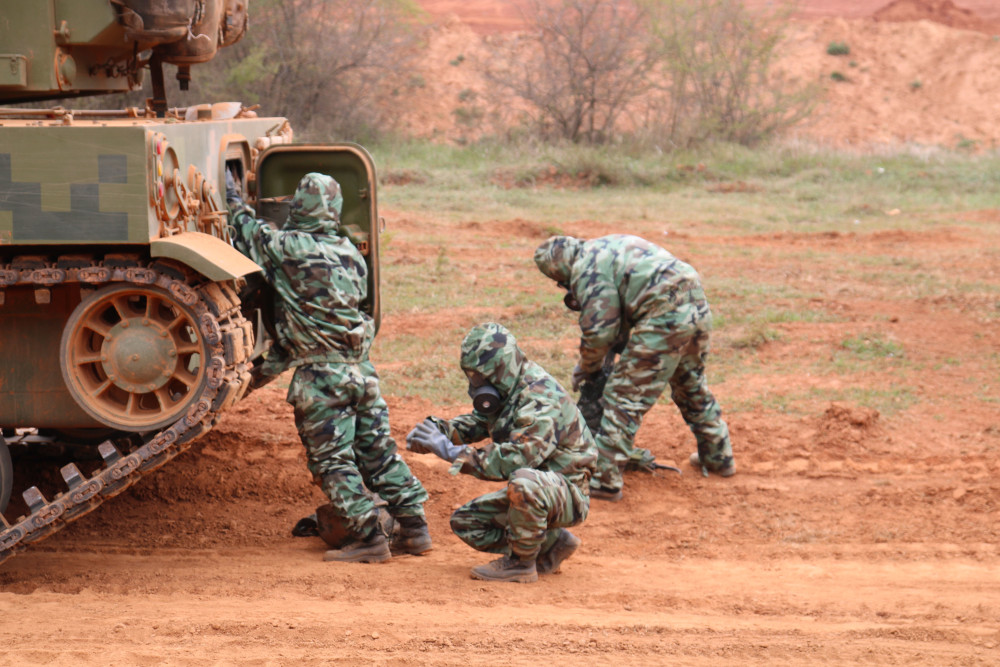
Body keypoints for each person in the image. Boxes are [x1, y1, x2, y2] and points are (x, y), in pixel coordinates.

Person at [226, 171, 430, 563]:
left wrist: (233, 195)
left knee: (332, 461)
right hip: (361, 372)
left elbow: (246, 229)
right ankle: (415, 529)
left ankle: (369, 537)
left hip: (323, 379)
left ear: (299, 207)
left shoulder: (290, 246)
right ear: (333, 210)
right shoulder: (352, 253)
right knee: (377, 453)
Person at [533, 234, 734, 502]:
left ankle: (604, 480)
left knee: (623, 395)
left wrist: (586, 367)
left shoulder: (586, 269)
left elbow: (600, 331)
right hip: (694, 299)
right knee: (689, 383)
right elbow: (627, 306)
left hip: (664, 313)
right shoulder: (606, 245)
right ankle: (717, 455)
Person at [405, 322, 596, 583]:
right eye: (471, 376)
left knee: (523, 480)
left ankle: (521, 563)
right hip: (539, 489)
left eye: (480, 376)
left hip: (567, 493)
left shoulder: (540, 399)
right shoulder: (510, 388)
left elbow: (513, 460)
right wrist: (441, 430)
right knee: (467, 522)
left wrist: (451, 451)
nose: (475, 384)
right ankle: (550, 544)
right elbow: (480, 422)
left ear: (500, 370)